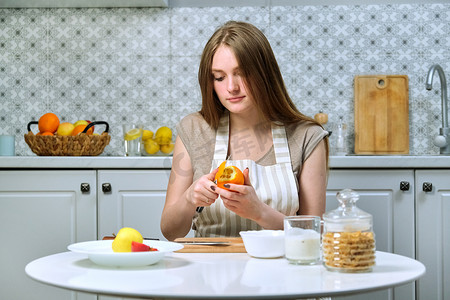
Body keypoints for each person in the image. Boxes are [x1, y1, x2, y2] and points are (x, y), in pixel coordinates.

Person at [161, 20, 329, 241]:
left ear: (264, 74)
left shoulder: (307, 136)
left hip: (282, 266)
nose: (231, 87)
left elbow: (314, 234)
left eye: (241, 73)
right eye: (219, 77)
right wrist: (189, 199)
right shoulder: (194, 129)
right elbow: (170, 231)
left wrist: (259, 212)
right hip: (209, 266)